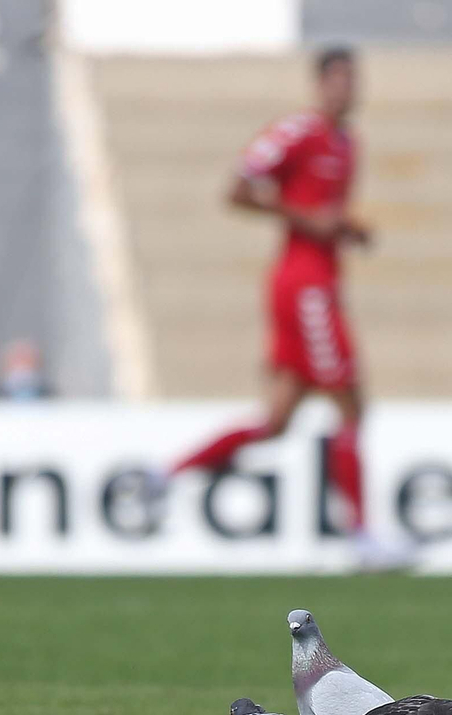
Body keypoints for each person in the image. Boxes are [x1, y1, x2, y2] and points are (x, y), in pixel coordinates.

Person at [158, 47, 406, 569]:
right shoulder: (298, 132)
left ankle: (167, 476)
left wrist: (345, 228)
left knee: (277, 422)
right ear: (319, 85)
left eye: (352, 81)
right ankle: (362, 536)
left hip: (323, 282)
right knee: (350, 404)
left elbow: (325, 213)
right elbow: (239, 189)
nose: (346, 90)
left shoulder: (346, 143)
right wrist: (304, 218)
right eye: (337, 81)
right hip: (303, 286)